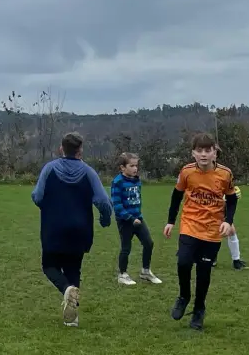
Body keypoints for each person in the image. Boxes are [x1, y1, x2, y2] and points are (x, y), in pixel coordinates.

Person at [30, 132, 112, 326]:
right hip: (80, 229)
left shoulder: (49, 169)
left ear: (61, 148)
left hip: (53, 227)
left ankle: (66, 289)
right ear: (80, 151)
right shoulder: (89, 172)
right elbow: (102, 200)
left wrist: (50, 207)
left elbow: (37, 196)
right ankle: (72, 318)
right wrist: (105, 218)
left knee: (49, 266)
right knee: (74, 268)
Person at [163, 132, 238, 331]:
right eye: (199, 150)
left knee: (204, 273)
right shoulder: (187, 172)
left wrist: (228, 221)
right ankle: (184, 296)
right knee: (183, 262)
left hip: (212, 230)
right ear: (193, 153)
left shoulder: (225, 174)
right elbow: (176, 196)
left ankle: (198, 310)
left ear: (215, 153)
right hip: (190, 224)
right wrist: (170, 221)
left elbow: (232, 199)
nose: (203, 154)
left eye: (208, 150)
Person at [110, 153, 161, 285]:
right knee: (126, 247)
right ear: (122, 167)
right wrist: (130, 218)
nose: (135, 168)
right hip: (125, 220)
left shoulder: (137, 180)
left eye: (136, 165)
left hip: (138, 219)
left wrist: (137, 216)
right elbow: (117, 205)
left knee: (149, 243)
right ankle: (122, 274)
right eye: (131, 166)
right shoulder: (117, 182)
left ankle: (145, 271)